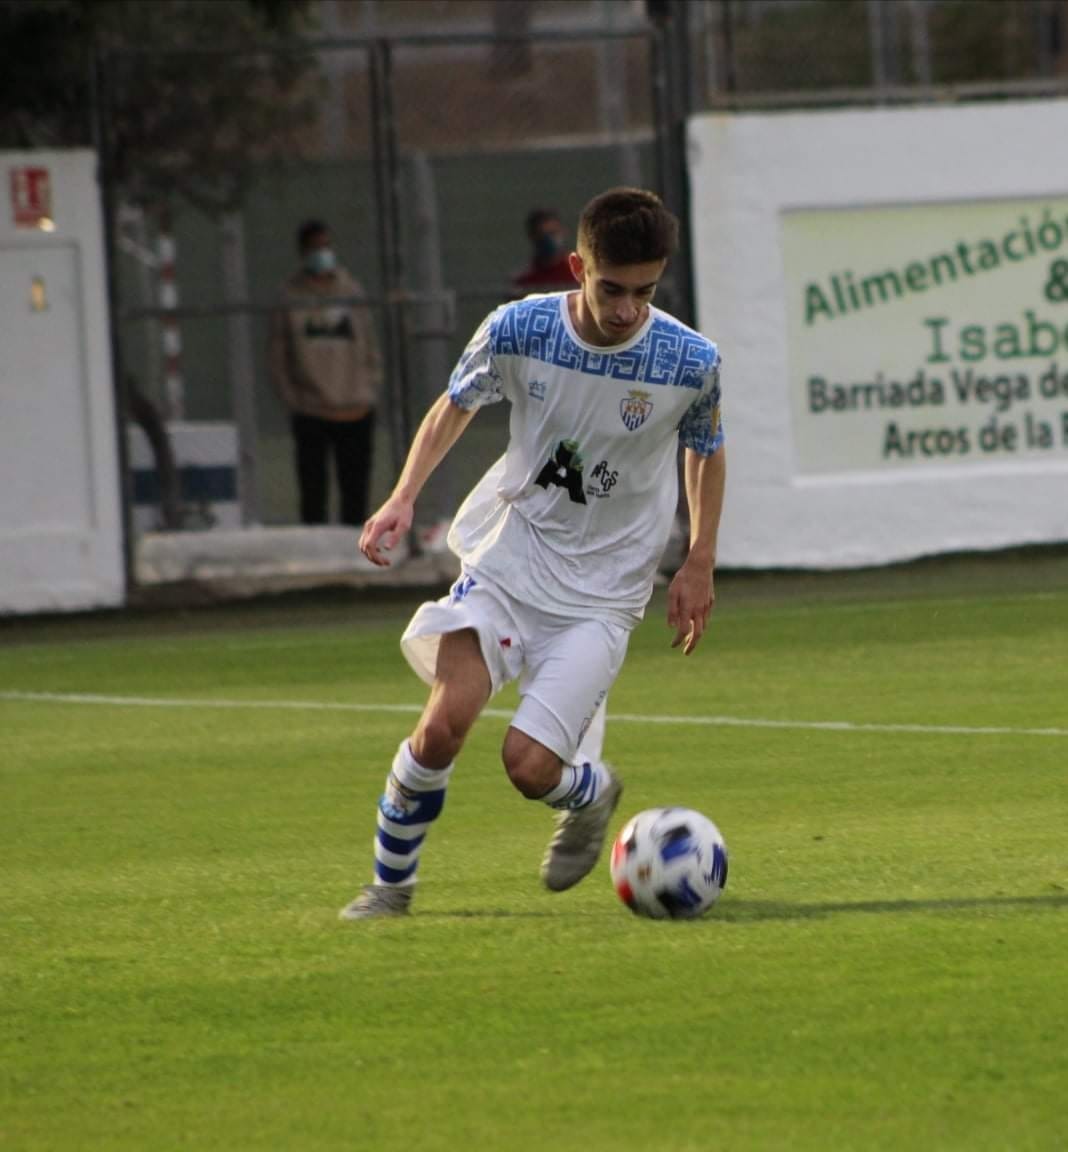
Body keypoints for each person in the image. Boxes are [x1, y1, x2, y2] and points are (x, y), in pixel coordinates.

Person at [340, 187, 725, 920]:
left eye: (644, 291)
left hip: (603, 594)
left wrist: (699, 559)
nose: (625, 309)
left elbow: (705, 448)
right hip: (508, 561)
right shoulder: (521, 330)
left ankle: (590, 793)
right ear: (578, 265)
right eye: (611, 289)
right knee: (441, 726)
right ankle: (389, 888)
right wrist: (402, 496)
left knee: (528, 767)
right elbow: (455, 403)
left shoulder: (688, 359)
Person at [270, 219, 382, 527]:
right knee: (313, 493)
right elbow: (279, 355)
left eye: (326, 246)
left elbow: (368, 344)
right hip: (311, 408)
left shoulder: (350, 290)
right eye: (315, 248)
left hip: (355, 405)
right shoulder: (291, 296)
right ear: (303, 251)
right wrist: (293, 398)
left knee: (355, 490)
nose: (322, 253)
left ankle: (358, 552)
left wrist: (369, 387)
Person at [511, 208, 575, 294]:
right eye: (541, 235)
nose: (548, 239)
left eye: (553, 233)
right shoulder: (525, 280)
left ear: (563, 232)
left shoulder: (576, 271)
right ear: (532, 237)